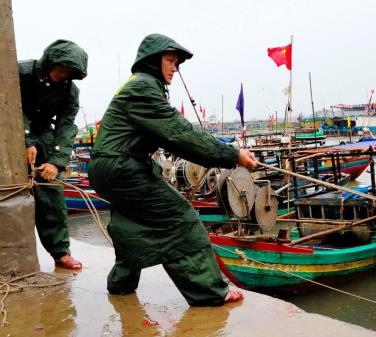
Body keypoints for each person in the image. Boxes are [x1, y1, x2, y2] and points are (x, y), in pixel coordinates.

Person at [88, 33, 257, 306]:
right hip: (122, 166)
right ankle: (209, 291)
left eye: (177, 62)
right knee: (179, 217)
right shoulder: (144, 87)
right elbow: (179, 134)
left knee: (129, 223)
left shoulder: (140, 86)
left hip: (109, 167)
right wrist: (233, 154)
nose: (175, 68)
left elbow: (171, 136)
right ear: (153, 61)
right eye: (170, 60)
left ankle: (121, 283)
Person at [20, 39, 88, 270]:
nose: (63, 75)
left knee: (52, 194)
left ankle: (60, 252)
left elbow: (67, 125)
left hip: (44, 133)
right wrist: (25, 139)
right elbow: (9, 104)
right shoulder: (21, 72)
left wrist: (56, 162)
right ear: (50, 62)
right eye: (60, 69)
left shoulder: (70, 91)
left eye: (68, 72)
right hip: (8, 126)